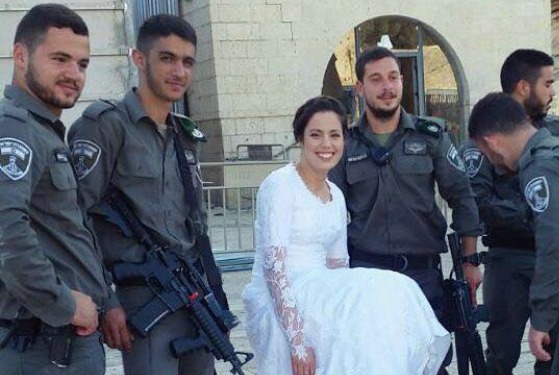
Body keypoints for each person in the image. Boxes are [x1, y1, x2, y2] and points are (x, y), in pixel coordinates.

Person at [242, 96, 451, 375]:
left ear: (344, 140)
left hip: (321, 287)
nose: (326, 145)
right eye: (315, 135)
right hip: (282, 290)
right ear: (300, 138)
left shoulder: (336, 195)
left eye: (334, 135)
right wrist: (298, 341)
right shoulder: (280, 185)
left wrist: (346, 309)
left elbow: (338, 266)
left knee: (392, 293)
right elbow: (274, 268)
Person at [67, 14, 223, 375]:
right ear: (139, 59)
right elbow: (75, 218)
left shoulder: (185, 134)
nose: (179, 71)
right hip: (139, 294)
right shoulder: (105, 125)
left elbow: (194, 221)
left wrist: (212, 287)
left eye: (187, 62)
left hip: (190, 288)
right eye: (166, 58)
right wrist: (107, 301)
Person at [458, 48, 559, 375]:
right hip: (509, 260)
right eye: (547, 83)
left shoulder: (555, 133)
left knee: (554, 353)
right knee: (501, 354)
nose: (552, 91)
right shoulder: (485, 135)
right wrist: (540, 215)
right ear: (523, 86)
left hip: (555, 263)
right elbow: (478, 204)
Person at [328, 46, 483, 373]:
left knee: (430, 362)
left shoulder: (431, 135)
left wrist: (470, 261)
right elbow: (326, 208)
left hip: (421, 277)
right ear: (360, 88)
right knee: (374, 363)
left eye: (393, 77)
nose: (387, 86)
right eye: (376, 79)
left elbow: (462, 196)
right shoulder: (346, 144)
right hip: (367, 276)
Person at [0, 4, 109, 374]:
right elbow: (5, 232)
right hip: (42, 345)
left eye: (82, 64)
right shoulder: (14, 129)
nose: (74, 74)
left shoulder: (44, 130)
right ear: (20, 56)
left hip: (60, 343)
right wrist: (63, 303)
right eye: (60, 59)